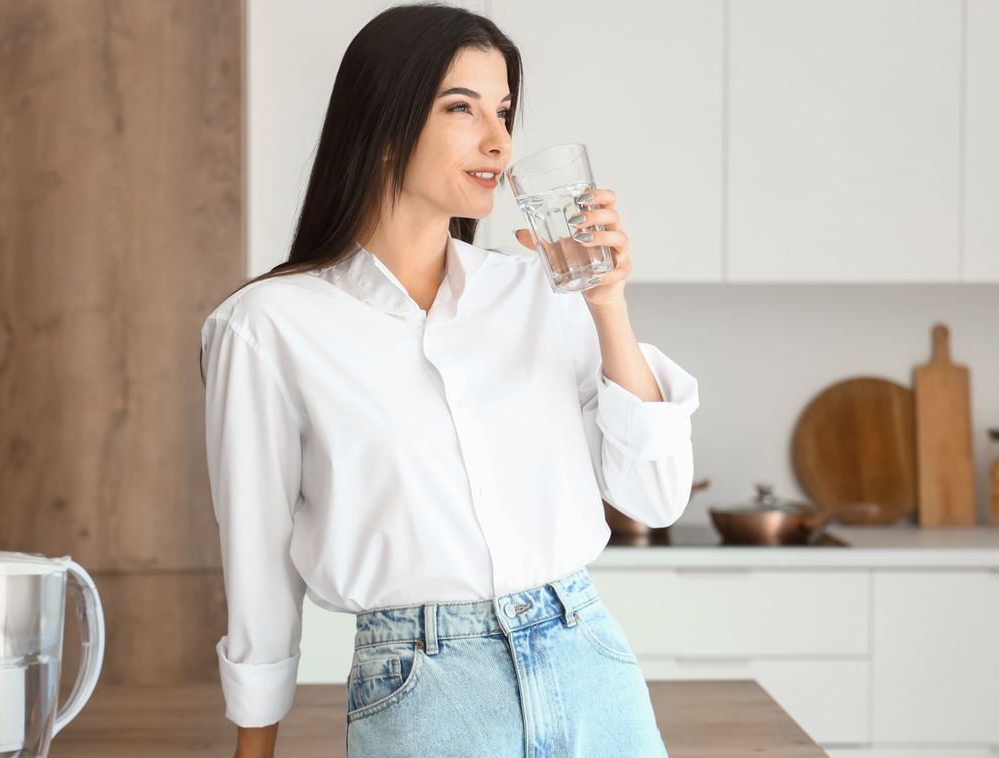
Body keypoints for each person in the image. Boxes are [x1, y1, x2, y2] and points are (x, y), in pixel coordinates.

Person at [198, 4, 700, 756]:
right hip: (425, 694)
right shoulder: (267, 326)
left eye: (502, 111)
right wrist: (253, 745)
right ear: (382, 123)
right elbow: (258, 560)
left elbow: (653, 498)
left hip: (588, 660)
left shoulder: (542, 291)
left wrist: (606, 305)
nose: (498, 141)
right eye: (461, 108)